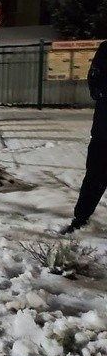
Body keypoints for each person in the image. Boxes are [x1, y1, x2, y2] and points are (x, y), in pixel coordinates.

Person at [64, 40, 107, 232]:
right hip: (104, 133)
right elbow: (95, 82)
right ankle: (81, 220)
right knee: (95, 176)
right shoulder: (106, 49)